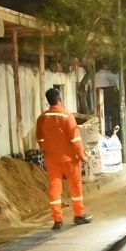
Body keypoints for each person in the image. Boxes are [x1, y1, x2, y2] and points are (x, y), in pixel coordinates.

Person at [36, 88, 93, 230]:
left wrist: (47, 149)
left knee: (55, 188)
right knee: (75, 187)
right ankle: (79, 215)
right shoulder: (67, 116)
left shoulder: (42, 118)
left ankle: (57, 220)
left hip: (52, 159)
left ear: (48, 101)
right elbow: (75, 139)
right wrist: (82, 156)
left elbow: (40, 138)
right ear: (59, 99)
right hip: (70, 159)